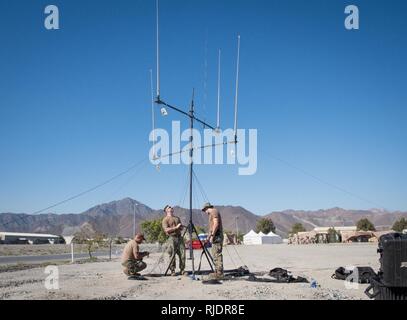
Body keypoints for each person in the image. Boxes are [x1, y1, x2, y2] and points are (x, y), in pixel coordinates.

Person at [162, 205, 187, 276]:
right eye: (168, 207)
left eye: (171, 207)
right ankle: (172, 271)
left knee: (182, 254)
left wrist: (181, 227)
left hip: (179, 237)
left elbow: (180, 228)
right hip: (171, 238)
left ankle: (182, 270)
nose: (170, 207)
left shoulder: (177, 218)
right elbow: (166, 230)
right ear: (166, 210)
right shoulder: (165, 219)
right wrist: (176, 227)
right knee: (172, 255)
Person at [202, 202, 224, 278]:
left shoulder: (214, 211)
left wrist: (212, 235)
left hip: (217, 236)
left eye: (205, 210)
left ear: (206, 208)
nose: (205, 212)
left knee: (217, 254)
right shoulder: (211, 214)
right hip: (215, 236)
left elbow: (216, 224)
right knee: (215, 254)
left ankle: (219, 273)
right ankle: (217, 271)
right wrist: (207, 238)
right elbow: (211, 228)